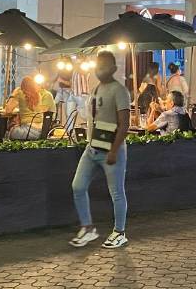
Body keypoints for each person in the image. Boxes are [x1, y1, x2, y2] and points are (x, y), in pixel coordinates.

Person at [70, 51, 130, 249]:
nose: (99, 69)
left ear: (113, 68)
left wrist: (114, 150)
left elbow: (124, 124)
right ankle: (87, 228)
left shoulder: (119, 91)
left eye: (103, 66)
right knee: (78, 186)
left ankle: (119, 232)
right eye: (97, 65)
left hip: (112, 149)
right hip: (92, 147)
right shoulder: (95, 89)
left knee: (116, 192)